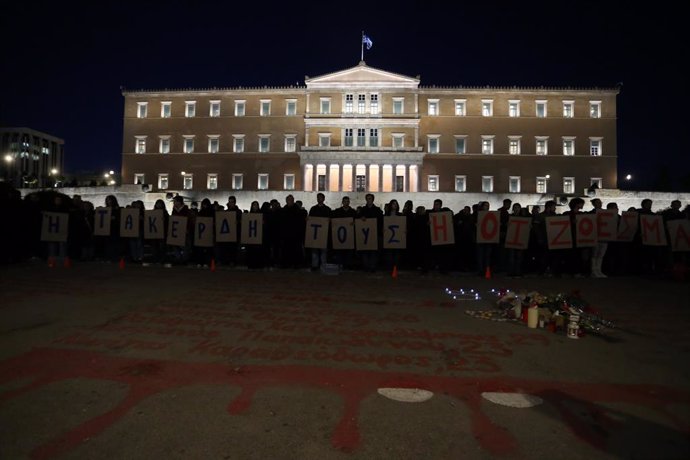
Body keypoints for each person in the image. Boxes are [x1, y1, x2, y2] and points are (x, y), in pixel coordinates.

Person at [357, 193, 383, 272]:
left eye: (370, 198)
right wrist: (361, 218)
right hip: (365, 234)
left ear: (372, 200)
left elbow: (381, 221)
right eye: (367, 198)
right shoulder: (363, 210)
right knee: (365, 251)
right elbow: (358, 219)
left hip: (375, 233)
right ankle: (366, 266)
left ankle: (372, 267)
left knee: (373, 251)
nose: (369, 200)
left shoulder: (378, 210)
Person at [331, 196, 357, 269]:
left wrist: (354, 223)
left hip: (350, 235)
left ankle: (347, 265)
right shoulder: (337, 211)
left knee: (349, 251)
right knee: (340, 251)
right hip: (339, 235)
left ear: (349, 202)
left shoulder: (353, 212)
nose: (346, 203)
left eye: (347, 201)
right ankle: (340, 265)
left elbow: (357, 221)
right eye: (345, 201)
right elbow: (333, 220)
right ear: (342, 202)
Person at [308, 193, 331, 271]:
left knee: (323, 251)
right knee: (314, 251)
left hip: (323, 233)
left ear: (323, 199)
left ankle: (323, 265)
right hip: (315, 233)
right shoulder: (313, 209)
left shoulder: (327, 209)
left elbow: (330, 219)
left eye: (320, 198)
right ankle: (315, 265)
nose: (319, 199)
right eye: (318, 198)